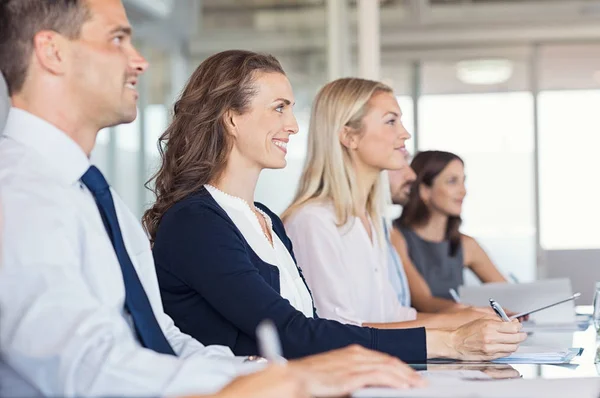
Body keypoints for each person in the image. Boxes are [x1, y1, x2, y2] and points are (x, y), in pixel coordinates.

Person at [0, 1, 423, 397]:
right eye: (117, 39)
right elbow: (83, 367)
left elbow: (162, 337)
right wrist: (269, 382)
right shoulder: (16, 195)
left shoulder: (97, 197)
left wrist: (266, 374)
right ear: (51, 51)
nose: (140, 60)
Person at [146, 51, 526, 365]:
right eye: (279, 108)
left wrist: (455, 331)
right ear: (231, 117)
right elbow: (292, 334)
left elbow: (310, 327)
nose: (293, 126)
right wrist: (451, 341)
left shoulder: (266, 220)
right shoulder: (196, 222)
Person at [281, 78, 495, 332]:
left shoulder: (370, 221)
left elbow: (390, 315)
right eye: (391, 121)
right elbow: (337, 329)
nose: (405, 134)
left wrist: (466, 318)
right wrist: (454, 326)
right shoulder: (313, 221)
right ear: (349, 136)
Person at [393, 150, 508, 311]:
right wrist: (477, 311)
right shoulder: (395, 236)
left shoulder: (466, 244)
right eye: (452, 181)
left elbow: (507, 294)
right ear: (424, 190)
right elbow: (424, 302)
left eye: (463, 181)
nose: (463, 191)